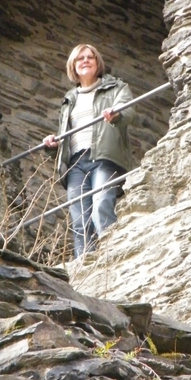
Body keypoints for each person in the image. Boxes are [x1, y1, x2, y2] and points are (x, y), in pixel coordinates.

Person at [43, 44, 135, 258]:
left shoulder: (116, 88)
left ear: (97, 62)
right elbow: (66, 135)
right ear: (73, 66)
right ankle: (85, 263)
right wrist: (53, 144)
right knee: (79, 218)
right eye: (80, 58)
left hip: (104, 158)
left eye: (90, 57)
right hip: (76, 163)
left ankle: (111, 256)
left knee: (101, 204)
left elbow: (128, 111)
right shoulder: (69, 99)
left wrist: (116, 114)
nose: (85, 61)